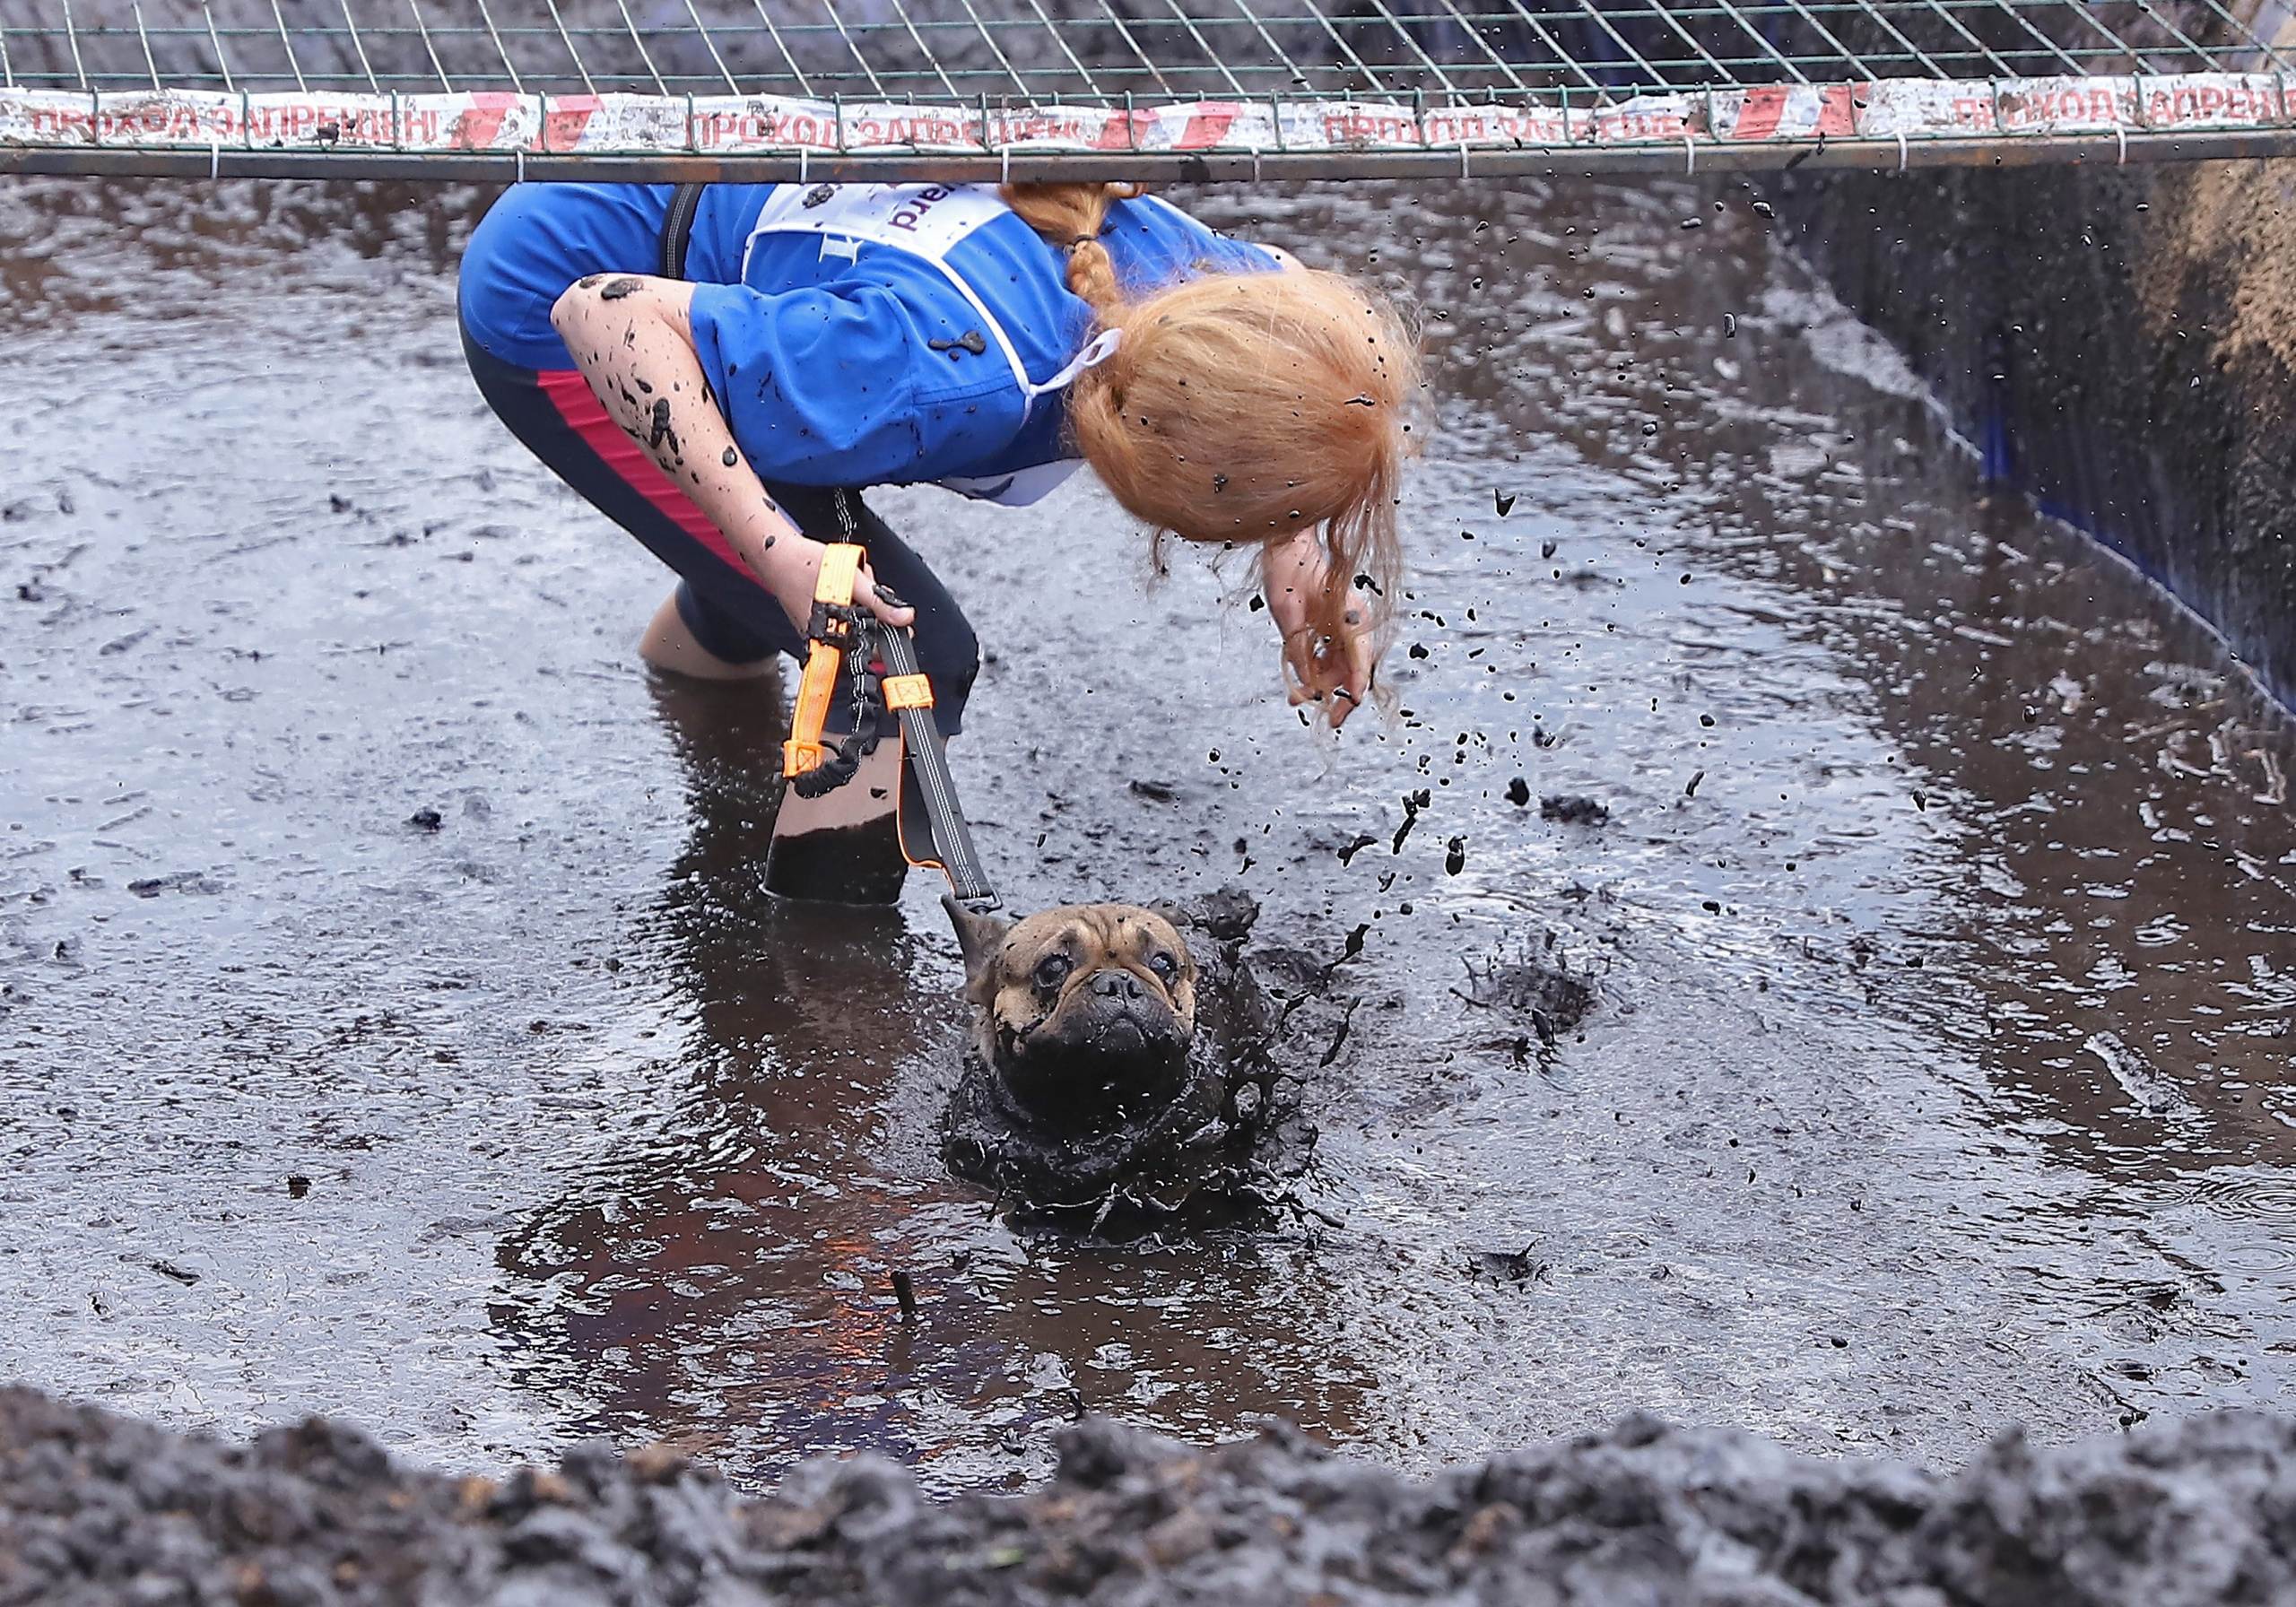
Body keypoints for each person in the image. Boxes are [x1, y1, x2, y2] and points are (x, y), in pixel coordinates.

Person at [457, 179, 1418, 902]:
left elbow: (1305, 321)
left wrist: (1305, 558)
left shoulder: (1207, 293)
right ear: (1168, 478)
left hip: (749, 281)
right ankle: (816, 966)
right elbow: (605, 313)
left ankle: (694, 685)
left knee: (806, 524)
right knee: (900, 655)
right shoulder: (959, 376)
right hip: (560, 304)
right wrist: (777, 553)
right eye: (1251, 518)